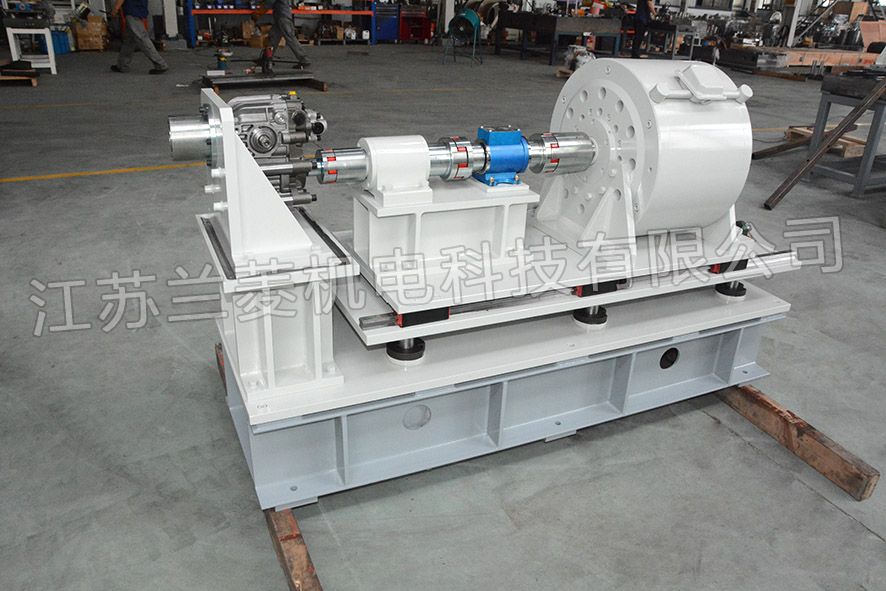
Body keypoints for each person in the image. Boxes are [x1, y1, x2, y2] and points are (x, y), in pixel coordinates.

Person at [110, 0, 169, 74]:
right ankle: (122, 64)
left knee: (142, 39)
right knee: (129, 40)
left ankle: (160, 64)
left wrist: (115, 10)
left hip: (132, 10)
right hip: (138, 9)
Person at [251, 0, 311, 68]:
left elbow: (269, 2)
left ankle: (304, 59)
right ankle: (266, 58)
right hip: (280, 17)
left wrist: (258, 12)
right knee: (273, 37)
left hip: (283, 17)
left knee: (290, 38)